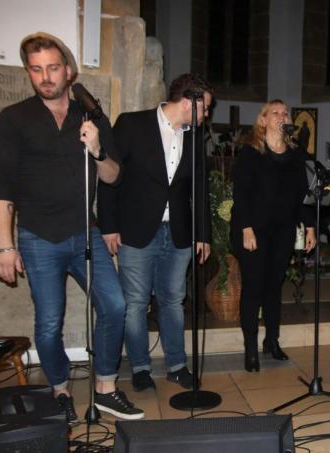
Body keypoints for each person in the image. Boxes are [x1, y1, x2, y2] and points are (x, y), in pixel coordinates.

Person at [0, 32, 144, 422]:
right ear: (29, 72)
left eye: (53, 68)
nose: (45, 77)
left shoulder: (90, 117)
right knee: (48, 323)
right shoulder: (14, 118)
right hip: (38, 237)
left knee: (115, 305)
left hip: (84, 233)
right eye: (36, 69)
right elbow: (2, 185)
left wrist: (97, 151)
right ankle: (59, 389)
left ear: (69, 71)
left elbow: (113, 178)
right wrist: (4, 245)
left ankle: (106, 387)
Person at [97, 74, 214, 392]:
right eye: (205, 108)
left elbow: (199, 188)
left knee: (173, 300)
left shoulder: (193, 136)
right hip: (137, 230)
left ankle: (176, 366)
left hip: (178, 234)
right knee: (135, 303)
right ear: (188, 102)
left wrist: (203, 234)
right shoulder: (132, 124)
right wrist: (108, 225)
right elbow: (110, 177)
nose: (206, 115)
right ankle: (140, 368)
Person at [230, 100, 316, 372]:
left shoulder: (295, 153)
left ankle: (273, 341)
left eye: (285, 112)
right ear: (264, 120)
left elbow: (302, 193)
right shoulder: (250, 152)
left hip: (283, 230)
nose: (282, 116)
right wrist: (245, 227)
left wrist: (310, 226)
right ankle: (250, 349)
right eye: (276, 113)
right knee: (254, 287)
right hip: (253, 230)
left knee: (274, 286)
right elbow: (241, 192)